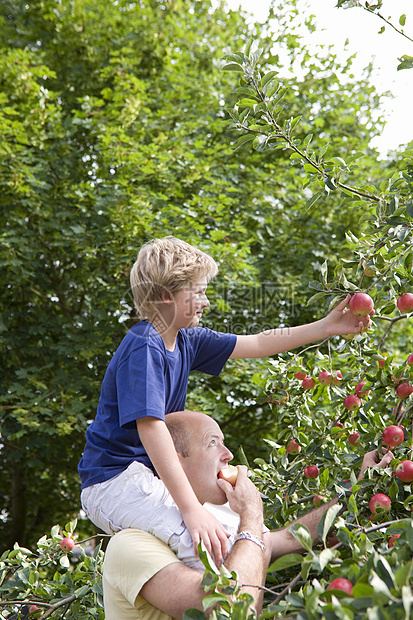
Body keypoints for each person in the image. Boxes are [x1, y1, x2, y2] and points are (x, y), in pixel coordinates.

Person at [78, 236, 371, 568]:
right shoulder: (144, 343)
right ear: (165, 296)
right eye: (198, 292)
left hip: (146, 477)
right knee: (205, 544)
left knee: (243, 537)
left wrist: (327, 326)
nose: (206, 301)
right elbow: (151, 428)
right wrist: (191, 511)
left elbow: (260, 342)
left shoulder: (188, 340)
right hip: (114, 480)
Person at [102, 410, 393, 620]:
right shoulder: (130, 545)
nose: (228, 454)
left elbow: (289, 539)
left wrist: (358, 489)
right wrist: (251, 515)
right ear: (171, 459)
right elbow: (220, 607)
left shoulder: (214, 521)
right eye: (212, 442)